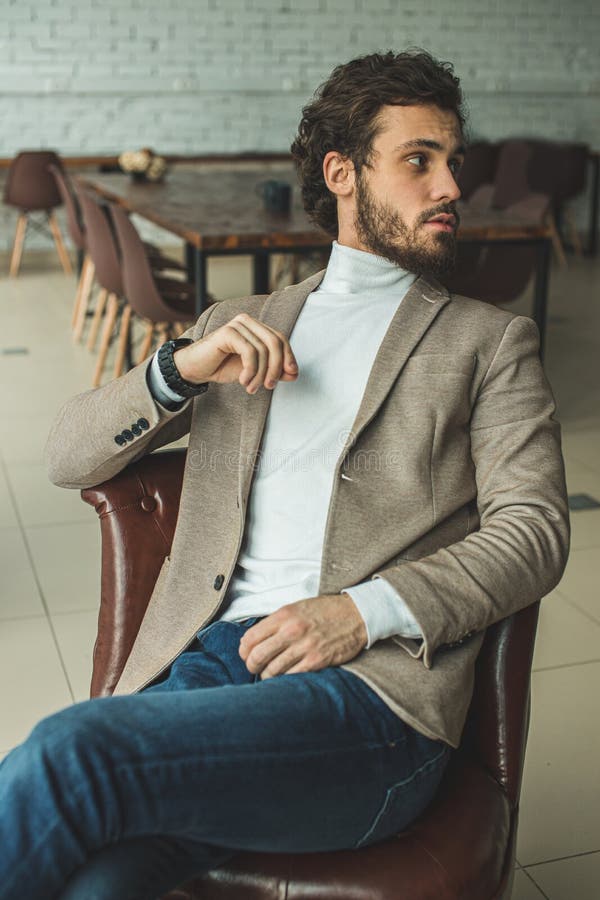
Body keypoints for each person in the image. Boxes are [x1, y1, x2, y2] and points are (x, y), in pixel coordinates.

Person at [0, 48, 569, 900]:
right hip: (210, 667)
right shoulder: (245, 324)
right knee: (104, 882)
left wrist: (361, 612)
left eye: (455, 161)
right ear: (343, 174)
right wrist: (179, 370)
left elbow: (535, 533)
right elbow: (65, 456)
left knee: (72, 751)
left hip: (369, 701)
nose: (451, 185)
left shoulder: (486, 343)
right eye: (419, 161)